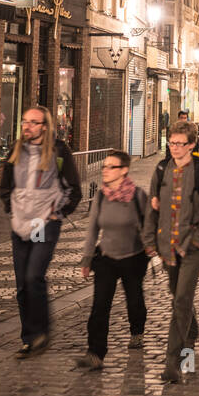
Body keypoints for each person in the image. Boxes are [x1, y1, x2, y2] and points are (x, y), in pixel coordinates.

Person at [143, 121, 199, 384]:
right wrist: (148, 239)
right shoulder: (161, 169)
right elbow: (152, 206)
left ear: (191, 145)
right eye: (172, 143)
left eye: (180, 144)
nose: (175, 148)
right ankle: (192, 331)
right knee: (178, 295)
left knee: (180, 300)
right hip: (168, 244)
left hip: (193, 246)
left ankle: (173, 362)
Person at [0, 104, 81, 358]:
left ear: (44, 127)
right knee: (22, 284)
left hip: (42, 224)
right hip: (20, 223)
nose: (27, 126)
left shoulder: (58, 151)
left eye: (33, 122)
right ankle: (29, 338)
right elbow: (5, 186)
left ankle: (41, 333)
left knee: (34, 276)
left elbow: (74, 188)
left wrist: (58, 213)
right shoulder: (16, 150)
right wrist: (11, 209)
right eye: (25, 121)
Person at [77, 150, 148, 370]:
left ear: (124, 170)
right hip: (106, 257)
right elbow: (92, 230)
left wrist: (151, 243)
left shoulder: (138, 196)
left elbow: (150, 225)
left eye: (111, 167)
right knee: (100, 306)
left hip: (133, 257)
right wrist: (87, 259)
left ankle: (137, 331)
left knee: (134, 299)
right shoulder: (100, 196)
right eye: (104, 167)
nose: (105, 171)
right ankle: (95, 353)